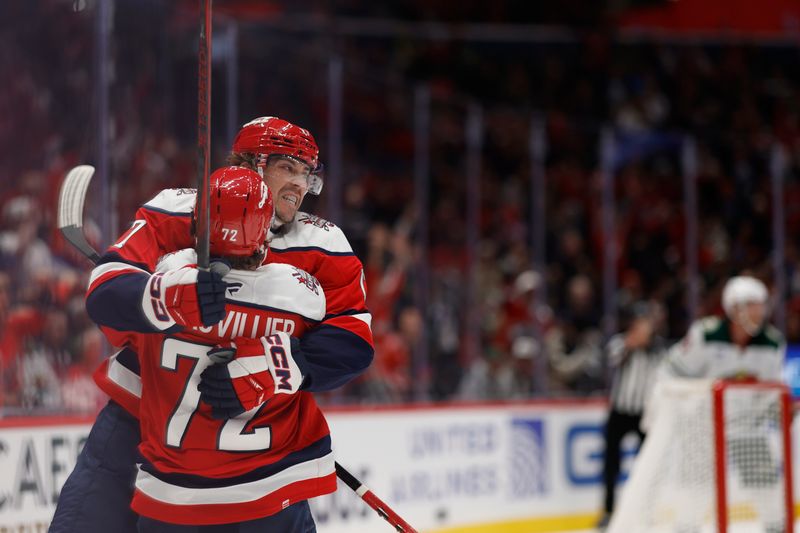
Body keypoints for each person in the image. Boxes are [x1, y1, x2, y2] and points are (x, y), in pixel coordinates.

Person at [50, 117, 374, 532]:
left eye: (306, 173)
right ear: (250, 164)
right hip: (141, 417)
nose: (300, 183)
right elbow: (106, 292)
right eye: (287, 167)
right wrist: (165, 297)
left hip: (258, 441)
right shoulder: (178, 210)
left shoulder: (325, 243)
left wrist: (275, 365)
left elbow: (352, 344)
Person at [117, 166, 333, 530]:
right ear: (266, 231)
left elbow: (119, 318)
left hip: (168, 504)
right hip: (268, 499)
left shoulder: (164, 276)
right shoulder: (301, 295)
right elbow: (331, 354)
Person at [641, 275, 786, 533]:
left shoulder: (773, 343)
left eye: (761, 304)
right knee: (694, 494)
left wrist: (781, 411)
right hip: (704, 428)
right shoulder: (705, 335)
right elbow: (670, 373)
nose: (759, 311)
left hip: (747, 429)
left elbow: (770, 393)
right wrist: (675, 408)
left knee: (768, 492)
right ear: (734, 308)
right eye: (753, 304)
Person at [597, 301, 667, 530]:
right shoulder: (620, 343)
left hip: (643, 415)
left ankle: (647, 508)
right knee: (611, 464)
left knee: (647, 464)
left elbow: (665, 375)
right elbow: (611, 360)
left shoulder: (659, 350)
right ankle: (608, 511)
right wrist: (631, 344)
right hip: (619, 412)